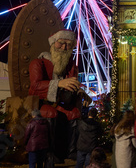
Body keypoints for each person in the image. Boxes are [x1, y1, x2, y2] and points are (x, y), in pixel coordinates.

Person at [29, 29, 92, 162]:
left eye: (68, 45)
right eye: (61, 43)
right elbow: (35, 86)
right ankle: (50, 152)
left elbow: (73, 86)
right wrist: (58, 83)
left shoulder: (71, 67)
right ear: (53, 43)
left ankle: (70, 151)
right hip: (40, 103)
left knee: (74, 113)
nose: (64, 48)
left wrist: (81, 93)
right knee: (51, 113)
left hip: (60, 103)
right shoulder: (38, 63)